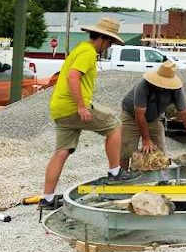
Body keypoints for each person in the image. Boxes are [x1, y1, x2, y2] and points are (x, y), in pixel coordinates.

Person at [40, 18, 127, 210]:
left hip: (60, 108)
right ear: (103, 38)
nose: (109, 47)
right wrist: (81, 106)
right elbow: (73, 76)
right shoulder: (88, 52)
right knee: (114, 126)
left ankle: (46, 199)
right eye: (110, 42)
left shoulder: (81, 48)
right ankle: (115, 172)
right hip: (73, 107)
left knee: (62, 151)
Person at [119, 60, 186, 170]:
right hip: (131, 116)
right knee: (125, 150)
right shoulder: (143, 86)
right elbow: (139, 115)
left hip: (153, 118)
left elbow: (185, 114)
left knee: (160, 153)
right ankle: (122, 176)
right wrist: (146, 140)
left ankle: (161, 181)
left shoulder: (176, 90)